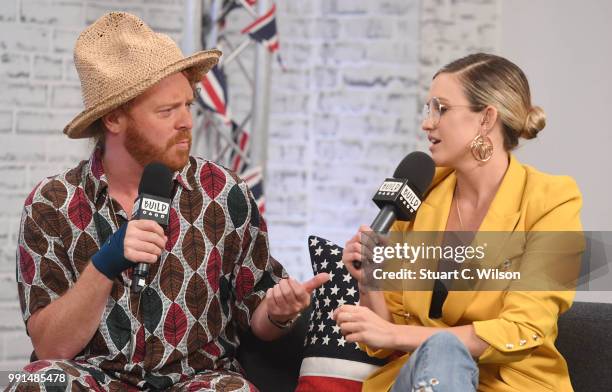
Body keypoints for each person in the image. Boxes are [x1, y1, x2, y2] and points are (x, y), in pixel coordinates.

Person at [10, 12, 328, 391]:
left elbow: (256, 319)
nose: (186, 123)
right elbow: (51, 346)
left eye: (188, 106)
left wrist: (277, 313)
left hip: (197, 380)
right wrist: (105, 263)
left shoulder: (224, 192)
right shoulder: (53, 204)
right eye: (166, 111)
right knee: (37, 382)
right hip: (95, 379)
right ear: (113, 120)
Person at [335, 53, 583, 391]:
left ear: (486, 119)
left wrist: (397, 333)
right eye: (428, 110)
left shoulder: (552, 202)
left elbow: (523, 328)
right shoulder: (421, 194)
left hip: (509, 383)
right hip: (419, 379)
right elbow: (386, 342)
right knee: (440, 352)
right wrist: (372, 282)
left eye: (442, 108)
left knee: (443, 347)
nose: (427, 123)